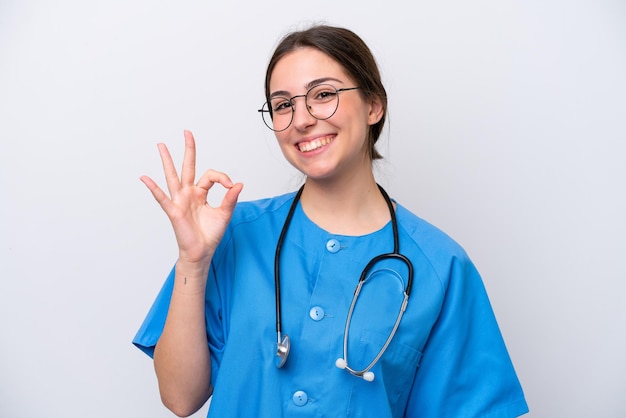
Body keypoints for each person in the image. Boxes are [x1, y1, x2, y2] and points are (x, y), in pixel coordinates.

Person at [133, 24, 529, 417]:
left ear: (374, 105)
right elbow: (179, 398)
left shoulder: (440, 267)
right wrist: (193, 261)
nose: (301, 119)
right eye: (283, 104)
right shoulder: (231, 234)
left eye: (323, 95)